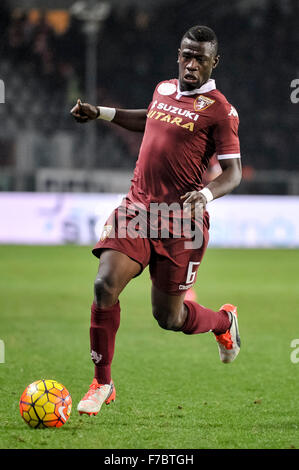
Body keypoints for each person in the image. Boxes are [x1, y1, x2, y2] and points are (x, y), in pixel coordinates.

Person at [71, 25, 242, 416]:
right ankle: (102, 383)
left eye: (200, 57)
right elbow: (147, 119)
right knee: (104, 284)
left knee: (170, 317)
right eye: (186, 54)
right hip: (137, 209)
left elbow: (232, 172)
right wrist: (102, 113)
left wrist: (207, 192)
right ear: (178, 55)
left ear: (214, 62)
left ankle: (223, 322)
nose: (191, 63)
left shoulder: (220, 110)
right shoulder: (163, 89)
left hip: (181, 222)